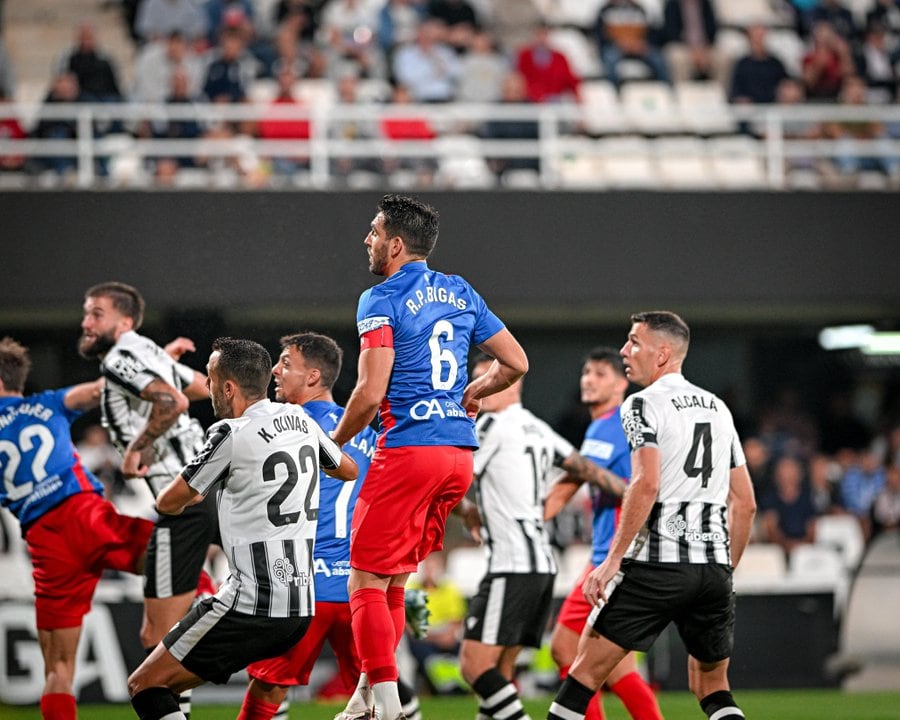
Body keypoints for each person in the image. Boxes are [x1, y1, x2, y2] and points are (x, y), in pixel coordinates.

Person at [330, 193, 529, 720]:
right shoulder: (460, 290)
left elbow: (370, 394)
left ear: (395, 244)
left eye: (373, 232)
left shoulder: (380, 297)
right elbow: (516, 362)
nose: (367, 240)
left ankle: (389, 707)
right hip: (458, 454)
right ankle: (366, 696)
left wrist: (333, 443)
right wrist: (473, 393)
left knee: (365, 582)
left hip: (409, 449)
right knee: (394, 580)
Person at [127, 337, 359, 720]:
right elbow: (347, 469)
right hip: (300, 606)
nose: (210, 386)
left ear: (228, 387)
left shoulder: (229, 433)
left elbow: (170, 502)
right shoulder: (301, 420)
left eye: (211, 379)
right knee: (211, 684)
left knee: (145, 685)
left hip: (251, 604)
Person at [546, 311, 757, 720]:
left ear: (662, 354)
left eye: (634, 342)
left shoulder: (641, 405)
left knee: (583, 672)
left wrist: (610, 562)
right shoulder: (718, 408)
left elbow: (645, 484)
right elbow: (745, 502)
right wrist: (725, 568)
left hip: (657, 565)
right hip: (713, 569)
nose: (625, 350)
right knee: (712, 689)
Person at [458, 354, 627, 720]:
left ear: (511, 382)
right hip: (540, 566)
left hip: (511, 565)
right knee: (502, 672)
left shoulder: (490, 427)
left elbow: (452, 479)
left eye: (485, 380)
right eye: (474, 380)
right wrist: (634, 495)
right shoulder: (537, 427)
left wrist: (465, 511)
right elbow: (586, 469)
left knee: (474, 666)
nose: (477, 389)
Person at [78, 281, 213, 719]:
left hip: (182, 503)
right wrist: (167, 363)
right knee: (165, 635)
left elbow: (171, 401)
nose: (86, 322)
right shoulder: (148, 351)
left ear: (125, 321)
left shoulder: (121, 357)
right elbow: (201, 387)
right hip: (209, 491)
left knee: (157, 639)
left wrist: (137, 446)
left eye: (96, 313)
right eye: (86, 313)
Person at [0, 336, 154, 720]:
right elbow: (105, 388)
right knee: (179, 556)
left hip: (45, 542)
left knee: (58, 670)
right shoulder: (45, 404)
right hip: (87, 517)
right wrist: (158, 363)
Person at [238, 332, 376, 720]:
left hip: (301, 583)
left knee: (268, 686)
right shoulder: (367, 433)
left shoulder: (284, 425)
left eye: (285, 363)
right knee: (369, 697)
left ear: (314, 376)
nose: (276, 372)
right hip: (355, 587)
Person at [545, 348, 662, 720]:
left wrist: (538, 514)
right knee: (615, 665)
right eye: (586, 372)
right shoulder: (613, 425)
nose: (588, 379)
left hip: (611, 560)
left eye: (599, 373)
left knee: (566, 648)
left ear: (621, 383)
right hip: (618, 555)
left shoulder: (612, 424)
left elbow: (578, 473)